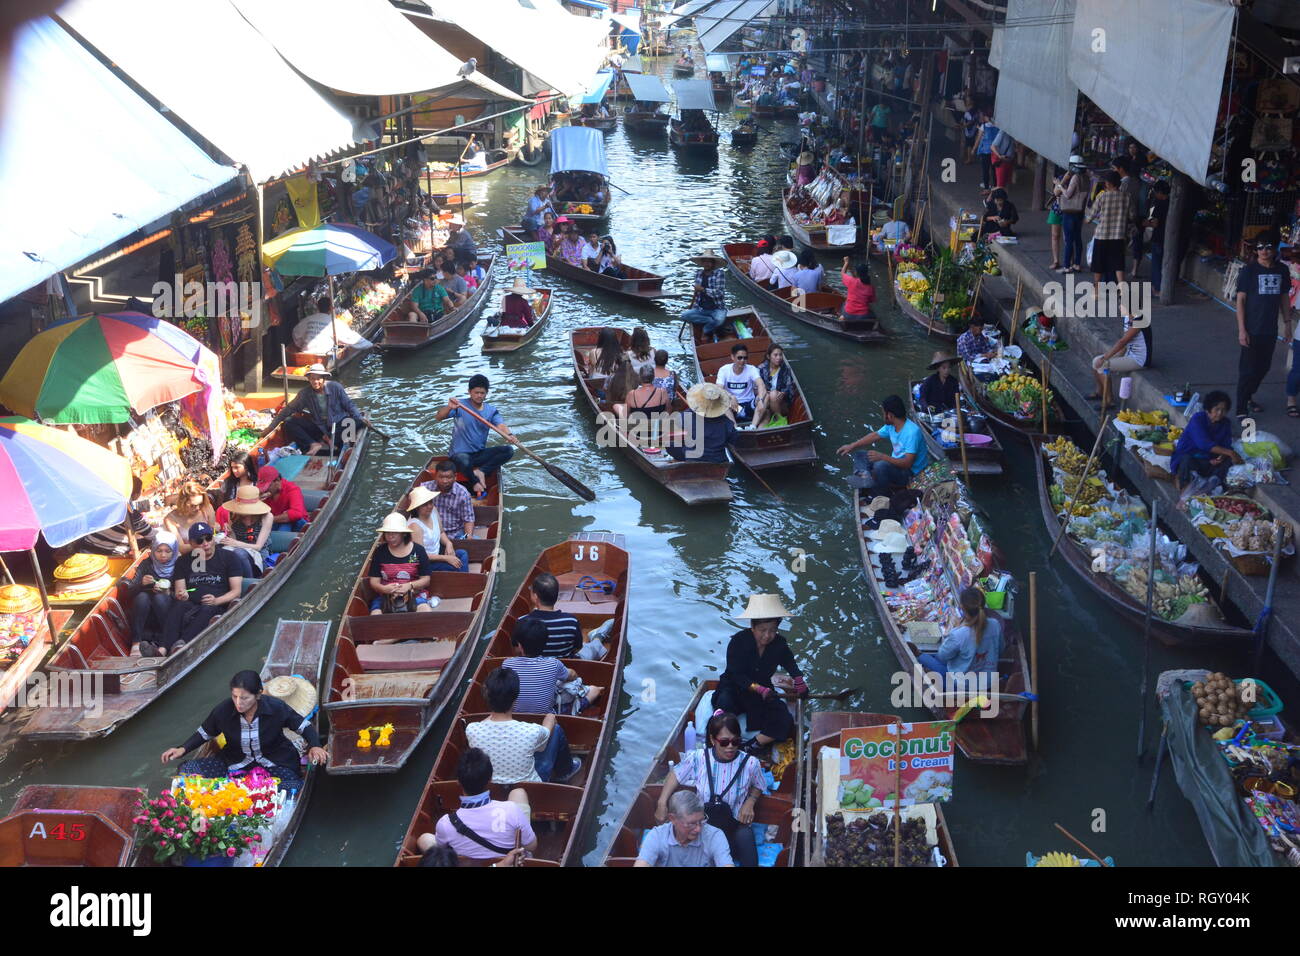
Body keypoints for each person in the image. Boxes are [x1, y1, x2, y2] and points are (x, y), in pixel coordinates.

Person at [161, 669, 325, 791]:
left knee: (292, 786)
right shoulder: (223, 710)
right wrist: (182, 748)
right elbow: (205, 732)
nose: (238, 703)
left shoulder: (275, 708)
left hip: (275, 762)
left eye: (245, 698)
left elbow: (303, 726)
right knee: (188, 771)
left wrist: (315, 745)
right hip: (235, 762)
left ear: (258, 695)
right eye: (235, 696)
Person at [655, 711, 766, 866]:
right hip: (703, 828)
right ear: (713, 740)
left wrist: (751, 801)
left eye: (736, 741)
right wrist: (662, 803)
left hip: (734, 828)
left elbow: (759, 785)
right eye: (724, 742)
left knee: (747, 845)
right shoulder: (699, 758)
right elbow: (675, 774)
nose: (731, 747)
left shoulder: (750, 763)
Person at [713, 593, 807, 755]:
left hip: (762, 690)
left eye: (772, 630)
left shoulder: (779, 644)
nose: (767, 636)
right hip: (735, 688)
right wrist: (760, 689)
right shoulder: (738, 642)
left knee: (784, 719)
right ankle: (723, 744)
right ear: (753, 627)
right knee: (724, 709)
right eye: (762, 630)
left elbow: (789, 662)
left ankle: (752, 745)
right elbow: (736, 675)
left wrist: (799, 680)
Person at [417, 748, 536, 863]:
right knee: (518, 793)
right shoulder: (511, 809)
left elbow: (442, 854)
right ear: (490, 779)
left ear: (458, 781)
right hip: (508, 862)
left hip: (467, 863)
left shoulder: (445, 824)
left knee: (425, 839)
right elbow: (531, 846)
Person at [466, 668, 580, 784]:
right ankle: (565, 772)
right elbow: (547, 729)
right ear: (515, 699)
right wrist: (550, 717)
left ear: (487, 697)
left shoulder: (472, 729)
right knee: (555, 729)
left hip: (492, 790)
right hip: (529, 789)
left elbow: (485, 722)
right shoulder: (532, 731)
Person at [150, 523, 242, 657]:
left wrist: (217, 600)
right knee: (179, 605)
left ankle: (182, 645)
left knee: (208, 607)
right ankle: (162, 649)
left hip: (217, 603)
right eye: (200, 541)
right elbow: (179, 591)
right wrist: (182, 594)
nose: (205, 543)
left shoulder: (229, 557)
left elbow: (236, 591)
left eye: (209, 538)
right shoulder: (183, 561)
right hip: (191, 603)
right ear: (192, 544)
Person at [1235, 233, 1292, 417]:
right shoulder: (1249, 271)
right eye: (1260, 247)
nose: (1264, 251)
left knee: (1263, 367)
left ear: (1275, 249)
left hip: (1270, 329)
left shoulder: (1282, 270)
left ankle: (1249, 396)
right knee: (1247, 369)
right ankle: (1241, 407)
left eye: (1268, 247)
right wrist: (1242, 330)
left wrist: (1287, 324)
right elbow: (1241, 301)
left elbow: (1284, 298)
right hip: (1252, 328)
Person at [434, 374, 518, 497]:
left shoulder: (491, 410)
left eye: (482, 393)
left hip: (478, 454)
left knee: (508, 451)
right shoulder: (460, 406)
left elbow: (500, 425)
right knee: (464, 460)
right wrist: (449, 407)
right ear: (469, 392)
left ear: (486, 393)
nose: (479, 395)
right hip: (459, 455)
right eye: (476, 392)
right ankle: (475, 483)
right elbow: (438, 417)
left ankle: (481, 471)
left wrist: (509, 435)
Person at [263, 364, 368, 457]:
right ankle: (313, 443)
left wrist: (359, 417)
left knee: (356, 422)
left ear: (324, 378)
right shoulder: (305, 393)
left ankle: (332, 440)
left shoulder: (335, 387)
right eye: (312, 378)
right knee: (289, 422)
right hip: (320, 427)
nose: (315, 381)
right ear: (308, 379)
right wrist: (271, 427)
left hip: (338, 425)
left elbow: (349, 405)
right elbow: (288, 409)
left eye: (318, 379)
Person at [505, 616, 603, 715]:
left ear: (520, 646)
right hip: (548, 716)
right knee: (594, 690)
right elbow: (572, 675)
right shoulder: (553, 664)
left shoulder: (507, 664)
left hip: (516, 716)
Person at [836, 394, 929, 491]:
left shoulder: (912, 432)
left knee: (880, 466)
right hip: (896, 465)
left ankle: (879, 493)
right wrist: (852, 445)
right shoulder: (892, 425)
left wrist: (882, 457)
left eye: (883, 413)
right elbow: (875, 435)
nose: (883, 416)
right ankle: (865, 478)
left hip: (911, 474)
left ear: (890, 415)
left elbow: (907, 464)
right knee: (860, 455)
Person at [919, 587, 1003, 691]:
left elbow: (942, 656)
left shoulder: (959, 634)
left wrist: (955, 630)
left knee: (922, 657)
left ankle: (920, 658)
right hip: (988, 683)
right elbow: (1000, 650)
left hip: (961, 686)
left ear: (962, 608)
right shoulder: (995, 624)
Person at [635, 790, 734, 867]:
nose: (698, 829)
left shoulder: (715, 836)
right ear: (672, 819)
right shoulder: (656, 836)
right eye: (691, 824)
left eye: (701, 821)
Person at [519, 572, 605, 660]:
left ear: (535, 596)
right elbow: (578, 648)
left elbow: (518, 650)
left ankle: (597, 636)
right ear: (556, 596)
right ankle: (597, 637)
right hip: (568, 665)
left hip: (536, 667)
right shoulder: (571, 621)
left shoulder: (521, 622)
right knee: (594, 646)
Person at [1170, 391, 1242, 489]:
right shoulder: (1197, 419)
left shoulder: (1226, 423)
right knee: (1186, 460)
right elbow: (1204, 444)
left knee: (1228, 461)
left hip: (1209, 461)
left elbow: (1226, 445)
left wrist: (1221, 457)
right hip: (1191, 458)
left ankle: (1213, 486)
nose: (1220, 413)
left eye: (1223, 410)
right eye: (1217, 409)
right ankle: (1184, 491)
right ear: (1208, 410)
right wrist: (1230, 452)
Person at [367, 513, 435, 615]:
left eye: (395, 533)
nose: (391, 536)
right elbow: (374, 582)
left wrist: (409, 586)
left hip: (414, 595)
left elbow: (426, 580)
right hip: (386, 596)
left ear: (404, 533)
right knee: (375, 615)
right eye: (388, 533)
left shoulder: (418, 551)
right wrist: (385, 589)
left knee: (425, 611)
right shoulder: (380, 552)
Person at [125, 531, 178, 654]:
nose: (163, 555)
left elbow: (185, 594)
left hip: (169, 613)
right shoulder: (146, 564)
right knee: (142, 596)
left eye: (167, 551)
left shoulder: (179, 565)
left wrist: (168, 593)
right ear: (153, 550)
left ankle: (166, 642)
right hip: (146, 615)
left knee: (159, 597)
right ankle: (136, 642)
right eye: (159, 551)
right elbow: (129, 592)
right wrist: (141, 584)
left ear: (174, 551)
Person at [666, 382, 736, 464]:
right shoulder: (726, 421)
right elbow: (733, 439)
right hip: (717, 458)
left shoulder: (686, 415)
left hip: (692, 457)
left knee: (670, 444)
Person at [404, 485, 467, 573]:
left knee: (463, 553)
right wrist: (445, 558)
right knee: (457, 567)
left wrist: (449, 543)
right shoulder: (415, 526)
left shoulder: (433, 510)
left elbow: (441, 532)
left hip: (437, 554)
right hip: (424, 562)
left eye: (430, 502)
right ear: (417, 507)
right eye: (425, 505)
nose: (429, 506)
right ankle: (465, 581)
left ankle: (463, 579)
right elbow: (419, 555)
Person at [1088, 313, 1152, 400]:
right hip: (1129, 353)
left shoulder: (1140, 320)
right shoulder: (1127, 318)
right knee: (1096, 361)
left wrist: (1105, 358)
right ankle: (1099, 392)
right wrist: (1117, 356)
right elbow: (1125, 342)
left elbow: (1123, 341)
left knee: (1102, 365)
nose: (1119, 307)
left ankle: (1109, 400)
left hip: (1139, 359)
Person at [216, 485, 272, 579]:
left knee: (239, 553)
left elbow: (258, 547)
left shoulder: (266, 517)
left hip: (258, 552)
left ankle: (250, 582)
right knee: (221, 551)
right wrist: (230, 533)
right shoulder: (233, 515)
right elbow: (234, 540)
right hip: (238, 549)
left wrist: (235, 543)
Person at [1087, 171, 1130, 291]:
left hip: (1102, 235)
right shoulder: (1126, 196)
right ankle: (1122, 291)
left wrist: (1087, 219)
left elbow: (1090, 216)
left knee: (1098, 264)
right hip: (1119, 236)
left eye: (1106, 182)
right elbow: (1132, 215)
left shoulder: (1102, 196)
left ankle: (1096, 291)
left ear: (1109, 183)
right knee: (1118, 264)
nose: (1105, 184)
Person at [423, 459, 477, 540]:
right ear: (435, 476)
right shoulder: (424, 488)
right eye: (441, 477)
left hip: (457, 534)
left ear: (455, 477)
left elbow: (468, 519)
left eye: (448, 477)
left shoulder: (463, 493)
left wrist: (468, 538)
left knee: (476, 541)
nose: (444, 481)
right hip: (432, 531)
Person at [715, 342, 766, 425]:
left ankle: (753, 427)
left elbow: (761, 384)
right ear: (732, 357)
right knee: (721, 399)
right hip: (733, 406)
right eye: (739, 358)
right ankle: (735, 427)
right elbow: (718, 388)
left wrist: (760, 400)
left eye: (745, 358)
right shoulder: (724, 370)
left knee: (765, 397)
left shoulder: (751, 369)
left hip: (749, 404)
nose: (742, 361)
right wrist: (730, 397)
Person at [163, 479, 216, 556]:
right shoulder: (171, 519)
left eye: (200, 504)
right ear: (183, 502)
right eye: (193, 505)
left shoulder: (206, 508)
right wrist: (205, 544)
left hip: (210, 553)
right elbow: (181, 548)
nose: (198, 508)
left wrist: (216, 531)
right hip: (190, 557)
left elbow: (213, 532)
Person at [683, 250, 729, 339]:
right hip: (701, 309)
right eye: (705, 261)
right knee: (684, 315)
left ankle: (706, 329)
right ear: (702, 262)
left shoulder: (719, 273)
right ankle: (709, 321)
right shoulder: (698, 274)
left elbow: (719, 293)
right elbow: (697, 294)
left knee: (719, 320)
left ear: (713, 263)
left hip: (717, 309)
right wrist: (694, 301)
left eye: (709, 261)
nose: (706, 263)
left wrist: (703, 290)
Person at [1054, 155, 1088, 273]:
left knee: (1069, 240)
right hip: (1080, 211)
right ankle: (1077, 264)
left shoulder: (1075, 178)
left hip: (1070, 211)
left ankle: (1066, 266)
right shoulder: (1086, 177)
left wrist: (1060, 185)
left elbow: (1068, 195)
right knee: (1077, 238)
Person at [256, 466, 308, 533]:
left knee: (286, 524)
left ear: (277, 480)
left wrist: (270, 520)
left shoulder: (292, 489)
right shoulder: (263, 493)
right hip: (276, 522)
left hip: (299, 524)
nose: (265, 489)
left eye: (268, 486)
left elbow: (297, 513)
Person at [753, 344, 792, 429]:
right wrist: (765, 393)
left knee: (773, 394)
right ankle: (755, 428)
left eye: (780, 355)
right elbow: (755, 389)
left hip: (781, 403)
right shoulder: (761, 369)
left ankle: (779, 418)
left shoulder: (785, 369)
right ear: (768, 356)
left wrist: (783, 392)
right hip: (765, 402)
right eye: (775, 355)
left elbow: (789, 387)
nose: (779, 357)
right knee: (761, 426)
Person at [1144, 180, 1171, 295]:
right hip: (1168, 238)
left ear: (1160, 192)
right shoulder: (1171, 202)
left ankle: (1157, 288)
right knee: (1164, 264)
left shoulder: (1159, 204)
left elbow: (1155, 223)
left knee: (1156, 264)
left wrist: (1145, 223)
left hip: (1158, 237)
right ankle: (1161, 287)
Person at [840, 258, 876, 323]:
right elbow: (871, 300)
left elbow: (842, 273)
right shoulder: (870, 287)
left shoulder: (851, 281)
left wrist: (846, 262)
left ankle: (842, 317)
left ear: (856, 273)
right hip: (863, 316)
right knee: (872, 313)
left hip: (849, 314)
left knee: (844, 304)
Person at [975, 111, 1000, 189]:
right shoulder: (998, 126)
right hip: (995, 152)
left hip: (985, 151)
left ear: (987, 117)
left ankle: (986, 187)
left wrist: (974, 149)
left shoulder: (984, 126)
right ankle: (995, 186)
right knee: (994, 170)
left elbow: (978, 139)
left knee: (985, 170)